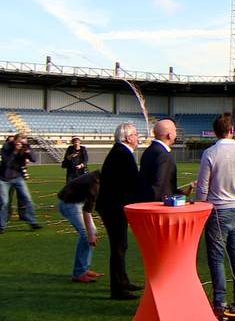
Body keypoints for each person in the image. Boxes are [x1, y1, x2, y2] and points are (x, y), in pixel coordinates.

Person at [196, 113, 235, 316]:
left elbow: (202, 188)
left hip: (217, 211)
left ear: (215, 131)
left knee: (217, 259)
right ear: (232, 130)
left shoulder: (210, 153)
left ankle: (220, 302)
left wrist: (199, 205)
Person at [95, 123, 143, 300]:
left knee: (121, 245)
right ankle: (118, 288)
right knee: (118, 247)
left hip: (112, 205)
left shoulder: (119, 152)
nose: (138, 137)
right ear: (128, 137)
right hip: (113, 207)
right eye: (136, 134)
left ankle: (122, 281)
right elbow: (133, 182)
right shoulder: (123, 154)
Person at [58, 170, 104, 283]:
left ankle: (84, 269)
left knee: (92, 232)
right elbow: (87, 210)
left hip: (76, 203)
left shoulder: (99, 176)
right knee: (87, 235)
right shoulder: (95, 183)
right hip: (69, 204)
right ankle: (79, 273)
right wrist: (90, 234)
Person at [136, 119, 189, 202]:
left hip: (145, 202)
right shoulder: (164, 155)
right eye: (175, 131)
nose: (176, 134)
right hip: (159, 207)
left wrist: (180, 192)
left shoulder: (150, 150)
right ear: (169, 135)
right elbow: (160, 187)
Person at [0, 133, 42, 233]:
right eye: (19, 141)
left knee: (28, 199)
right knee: (4, 202)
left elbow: (34, 159)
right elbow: (6, 163)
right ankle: (1, 226)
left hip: (18, 177)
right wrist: (15, 151)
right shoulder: (7, 146)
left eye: (23, 141)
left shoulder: (25, 146)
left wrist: (28, 151)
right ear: (14, 141)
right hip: (4, 178)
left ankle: (32, 222)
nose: (21, 143)